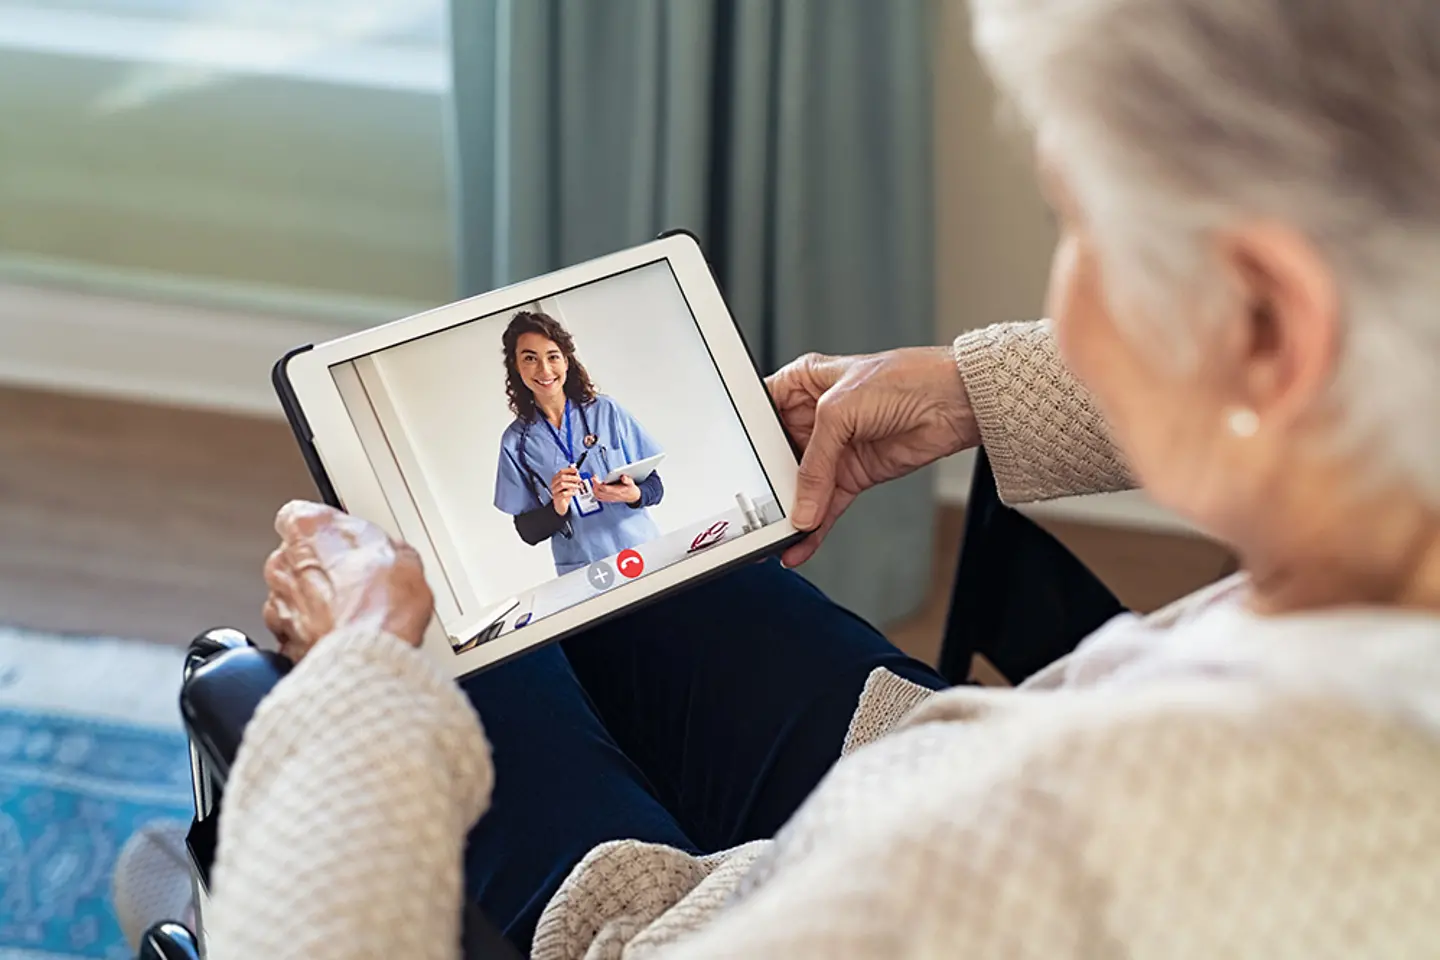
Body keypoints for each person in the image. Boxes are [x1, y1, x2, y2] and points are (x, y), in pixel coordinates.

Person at [200, 0, 1440, 955]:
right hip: (963, 752)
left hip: (745, 906)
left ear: (1266, 327)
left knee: (438, 653)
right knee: (651, 582)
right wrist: (974, 392)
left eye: (1083, 229)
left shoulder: (1041, 855)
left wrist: (357, 696)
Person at [492, 310, 665, 575]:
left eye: (553, 356)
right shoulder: (516, 442)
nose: (545, 370)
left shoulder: (606, 411)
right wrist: (556, 508)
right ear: (516, 366)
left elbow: (655, 486)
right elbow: (527, 531)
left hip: (640, 549)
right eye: (530, 358)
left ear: (566, 360)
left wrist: (634, 494)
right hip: (585, 569)